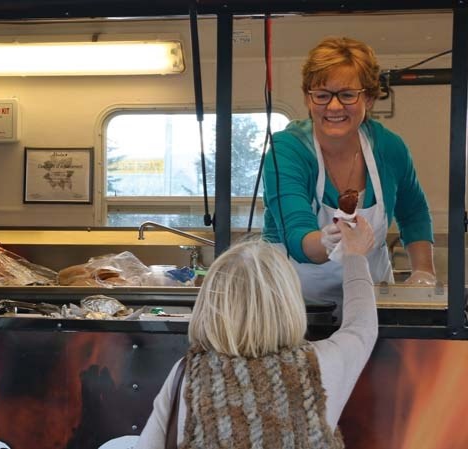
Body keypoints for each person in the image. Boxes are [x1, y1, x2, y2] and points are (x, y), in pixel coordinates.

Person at [135, 217, 377, 449]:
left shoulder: (187, 373)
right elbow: (361, 325)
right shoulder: (324, 364)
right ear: (290, 301)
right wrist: (354, 257)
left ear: (210, 303)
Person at [262, 36, 436, 306]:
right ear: (308, 99)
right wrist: (326, 242)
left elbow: (414, 213)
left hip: (369, 301)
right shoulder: (287, 150)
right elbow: (296, 235)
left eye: (346, 95)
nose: (333, 107)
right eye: (321, 95)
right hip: (294, 307)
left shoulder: (389, 148)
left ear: (368, 97)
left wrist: (424, 272)